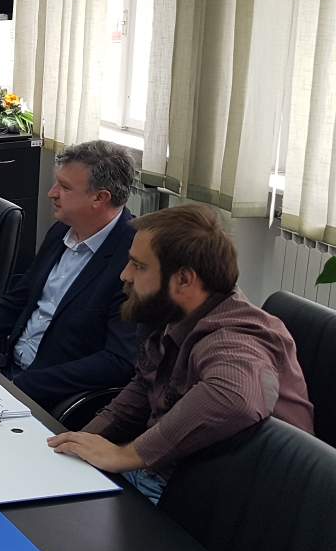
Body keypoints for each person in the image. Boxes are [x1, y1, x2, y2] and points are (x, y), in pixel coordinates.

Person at [49, 204, 313, 503]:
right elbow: (142, 389)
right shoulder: (171, 313)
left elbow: (236, 398)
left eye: (139, 266)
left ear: (185, 280)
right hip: (170, 477)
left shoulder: (233, 336)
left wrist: (128, 455)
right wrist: (73, 446)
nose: (125, 275)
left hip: (228, 503)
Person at [0, 140, 139, 411]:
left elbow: (117, 361)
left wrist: (22, 386)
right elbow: (16, 302)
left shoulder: (134, 259)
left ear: (100, 198)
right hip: (6, 370)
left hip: (50, 396)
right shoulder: (62, 230)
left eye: (65, 187)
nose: (51, 193)